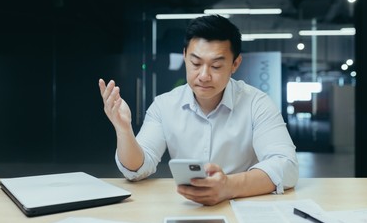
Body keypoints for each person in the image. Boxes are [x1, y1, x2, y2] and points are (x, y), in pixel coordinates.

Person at [98, 14, 298, 206]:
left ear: (235, 64)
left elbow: (286, 166)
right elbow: (136, 169)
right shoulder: (164, 105)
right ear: (185, 56)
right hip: (186, 206)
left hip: (243, 205)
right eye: (195, 63)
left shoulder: (257, 103)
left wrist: (228, 186)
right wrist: (123, 130)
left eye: (216, 66)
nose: (203, 76)